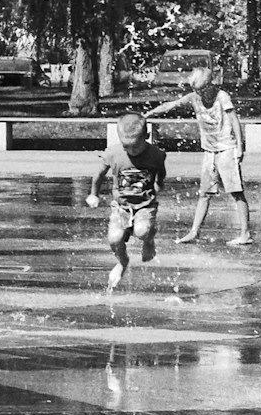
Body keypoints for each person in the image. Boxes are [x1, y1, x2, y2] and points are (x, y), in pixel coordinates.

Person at [146, 66, 252, 246]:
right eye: (195, 89)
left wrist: (240, 148)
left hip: (227, 149)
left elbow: (234, 120)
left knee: (236, 192)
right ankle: (194, 232)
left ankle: (245, 234)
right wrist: (147, 114)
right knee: (204, 193)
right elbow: (170, 105)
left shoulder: (222, 96)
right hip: (209, 151)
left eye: (201, 89)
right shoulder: (194, 97)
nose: (198, 93)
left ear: (209, 83)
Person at [87, 111, 165, 292]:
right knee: (114, 239)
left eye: (136, 147)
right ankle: (123, 262)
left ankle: (149, 241)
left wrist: (159, 183)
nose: (131, 151)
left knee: (142, 230)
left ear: (147, 136)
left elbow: (161, 170)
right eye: (126, 146)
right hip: (121, 206)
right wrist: (94, 194)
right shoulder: (113, 153)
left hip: (145, 205)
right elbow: (98, 174)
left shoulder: (155, 154)